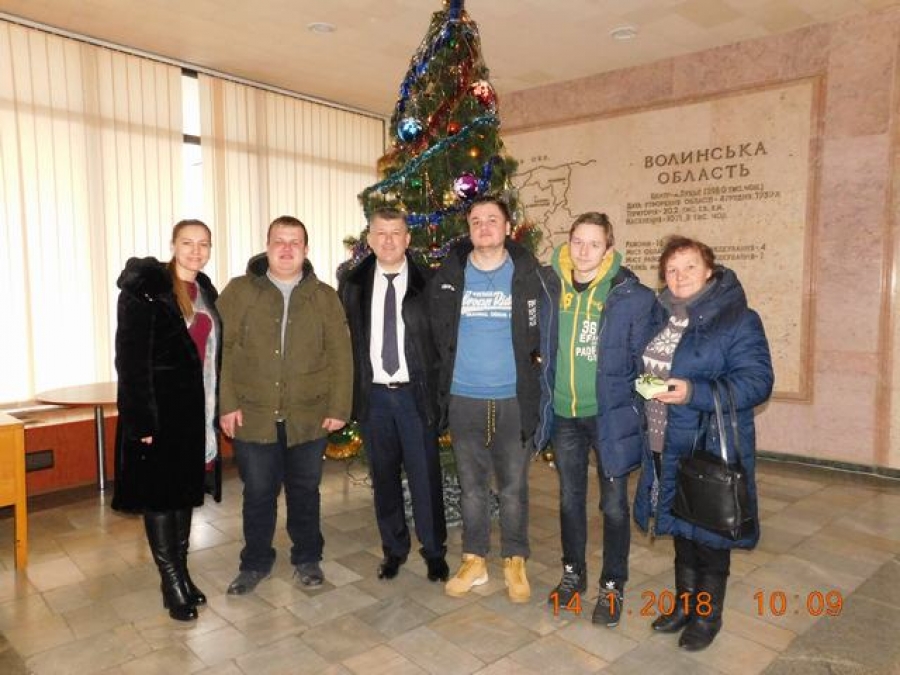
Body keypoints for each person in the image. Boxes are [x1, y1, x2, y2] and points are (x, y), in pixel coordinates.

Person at [634, 235, 773, 650]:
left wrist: (693, 392)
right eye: (671, 269)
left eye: (689, 267)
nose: (680, 276)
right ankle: (684, 606)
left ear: (709, 270)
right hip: (663, 439)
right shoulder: (660, 316)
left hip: (707, 444)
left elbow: (758, 382)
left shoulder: (739, 319)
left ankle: (707, 616)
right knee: (681, 530)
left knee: (709, 534)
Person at [217, 215, 352, 594]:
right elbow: (220, 353)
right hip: (252, 413)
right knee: (258, 493)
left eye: (295, 242)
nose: (287, 249)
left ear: (306, 250)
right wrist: (226, 404)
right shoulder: (239, 292)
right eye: (280, 241)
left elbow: (341, 356)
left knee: (305, 491)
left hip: (309, 415)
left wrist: (339, 408)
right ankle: (255, 562)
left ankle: (307, 558)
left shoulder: (324, 297)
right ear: (267, 246)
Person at [535, 212, 655, 627]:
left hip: (610, 417)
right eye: (577, 242)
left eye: (594, 244)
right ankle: (573, 573)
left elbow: (647, 360)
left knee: (614, 505)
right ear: (567, 242)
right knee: (570, 499)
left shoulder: (631, 296)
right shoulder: (548, 285)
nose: (583, 251)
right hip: (563, 414)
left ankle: (612, 584)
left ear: (609, 249)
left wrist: (648, 409)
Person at [429, 195, 548, 603]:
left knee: (513, 488)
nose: (484, 226)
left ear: (508, 227)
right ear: (468, 228)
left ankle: (514, 559)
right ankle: (474, 559)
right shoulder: (450, 275)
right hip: (464, 398)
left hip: (513, 399)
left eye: (492, 219)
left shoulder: (530, 275)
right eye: (476, 220)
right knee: (472, 488)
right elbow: (434, 332)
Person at [112, 219, 221, 622]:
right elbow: (129, 359)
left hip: (194, 412)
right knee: (160, 497)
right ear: (173, 245)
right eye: (187, 243)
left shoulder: (205, 290)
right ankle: (171, 582)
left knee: (184, 495)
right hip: (157, 413)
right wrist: (141, 422)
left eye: (203, 244)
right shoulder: (147, 290)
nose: (196, 251)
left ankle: (183, 573)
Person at [339, 207, 448, 582]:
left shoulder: (428, 283)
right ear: (369, 239)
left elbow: (442, 343)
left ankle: (434, 551)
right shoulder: (352, 285)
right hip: (374, 398)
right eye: (380, 233)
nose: (388, 240)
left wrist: (440, 397)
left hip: (415, 395)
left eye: (396, 232)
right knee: (383, 480)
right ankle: (394, 549)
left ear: (407, 238)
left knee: (425, 478)